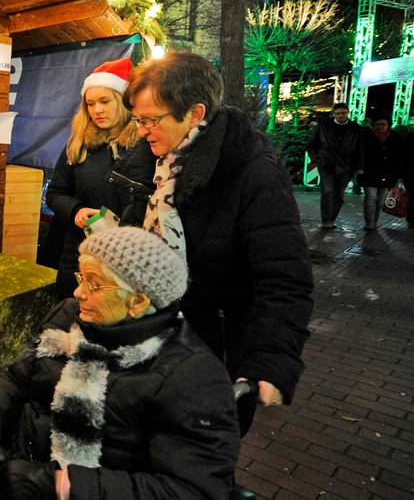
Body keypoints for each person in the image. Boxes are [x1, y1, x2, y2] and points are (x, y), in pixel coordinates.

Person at [0, 227, 239, 500]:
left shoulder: (191, 374)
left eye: (93, 283)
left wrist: (58, 485)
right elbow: (16, 376)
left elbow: (192, 490)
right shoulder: (70, 317)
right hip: (12, 470)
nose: (78, 293)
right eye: (81, 278)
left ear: (138, 301)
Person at [109, 52, 313, 419]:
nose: (141, 130)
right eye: (138, 120)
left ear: (195, 114)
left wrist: (269, 360)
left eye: (151, 120)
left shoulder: (252, 173)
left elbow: (284, 276)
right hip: (148, 336)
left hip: (209, 350)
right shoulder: (151, 164)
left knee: (193, 459)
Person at [44, 58, 138, 299]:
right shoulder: (78, 145)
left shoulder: (144, 147)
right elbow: (55, 193)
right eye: (91, 104)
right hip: (78, 255)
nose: (97, 110)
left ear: (123, 100)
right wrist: (75, 210)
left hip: (126, 260)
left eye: (105, 101)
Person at [305, 102, 364, 230]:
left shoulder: (355, 128)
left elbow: (360, 148)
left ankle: (332, 219)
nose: (341, 116)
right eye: (338, 113)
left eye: (343, 113)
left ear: (347, 113)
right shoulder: (324, 126)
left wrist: (359, 165)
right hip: (326, 163)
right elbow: (311, 144)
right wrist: (316, 159)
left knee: (339, 195)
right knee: (327, 191)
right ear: (334, 114)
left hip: (345, 165)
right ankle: (326, 220)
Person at [359, 116, 400, 231]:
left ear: (388, 125)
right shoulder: (366, 136)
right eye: (378, 124)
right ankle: (369, 223)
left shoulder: (395, 137)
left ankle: (374, 221)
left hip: (387, 174)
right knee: (371, 197)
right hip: (369, 173)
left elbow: (399, 157)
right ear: (373, 125)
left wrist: (397, 176)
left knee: (381, 200)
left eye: (383, 124)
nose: (381, 127)